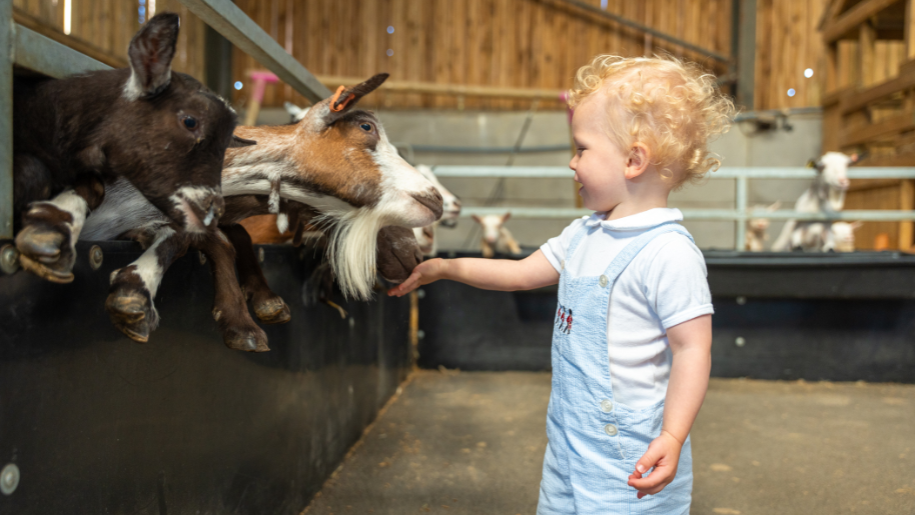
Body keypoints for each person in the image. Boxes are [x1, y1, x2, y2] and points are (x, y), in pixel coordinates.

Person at [388, 54, 734, 514]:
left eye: (582, 149)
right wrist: (444, 268)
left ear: (633, 160)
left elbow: (692, 349)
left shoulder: (668, 252)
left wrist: (672, 434)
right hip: (569, 441)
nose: (572, 163)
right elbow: (517, 274)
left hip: (631, 454)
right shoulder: (582, 235)